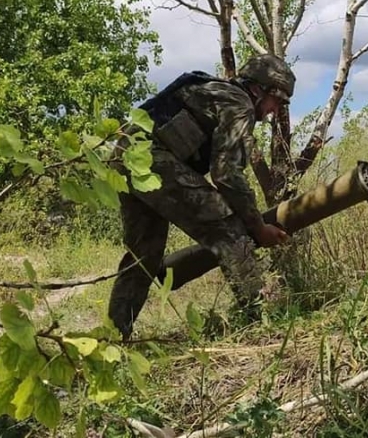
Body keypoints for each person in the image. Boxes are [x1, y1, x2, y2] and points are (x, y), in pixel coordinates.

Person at [107, 54, 297, 341]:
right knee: (231, 229)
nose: (273, 111)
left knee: (143, 256)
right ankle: (261, 326)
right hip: (153, 161)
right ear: (259, 90)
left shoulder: (215, 90)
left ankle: (112, 340)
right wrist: (258, 227)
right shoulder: (240, 103)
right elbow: (226, 174)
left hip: (125, 158)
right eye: (276, 101)